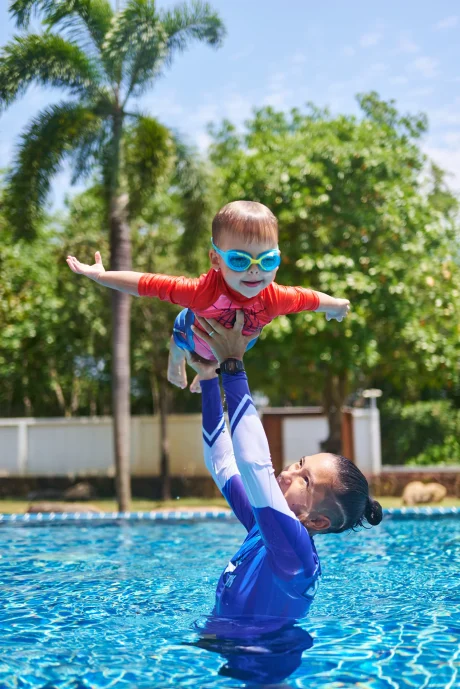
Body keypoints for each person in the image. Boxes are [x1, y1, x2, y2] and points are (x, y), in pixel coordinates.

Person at [186, 311, 382, 640]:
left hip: (264, 664)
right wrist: (208, 376)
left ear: (316, 521)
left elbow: (253, 464)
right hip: (227, 648)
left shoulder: (296, 554)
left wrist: (233, 366)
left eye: (305, 480)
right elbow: (221, 461)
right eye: (300, 463)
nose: (290, 471)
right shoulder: (263, 527)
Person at [66, 200, 350, 393]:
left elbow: (309, 299)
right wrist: (101, 276)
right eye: (240, 261)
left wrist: (336, 305)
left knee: (217, 362)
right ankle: (176, 360)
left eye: (267, 261)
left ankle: (206, 373)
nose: (255, 271)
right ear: (216, 258)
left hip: (230, 347)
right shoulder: (202, 292)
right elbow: (148, 284)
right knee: (178, 338)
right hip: (192, 334)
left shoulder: (274, 297)